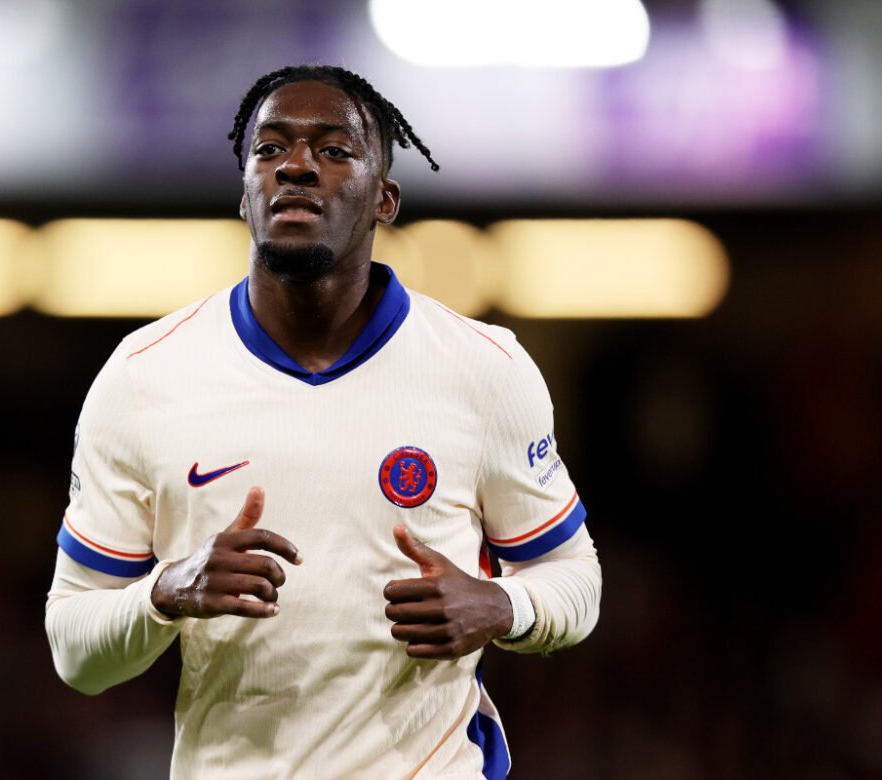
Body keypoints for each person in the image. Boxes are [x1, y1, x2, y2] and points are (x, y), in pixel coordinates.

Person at [45, 64, 601, 779]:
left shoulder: (484, 369)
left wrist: (504, 604)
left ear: (384, 200)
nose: (297, 166)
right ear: (245, 196)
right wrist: (163, 593)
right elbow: (75, 653)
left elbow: (572, 574)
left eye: (334, 150)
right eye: (270, 149)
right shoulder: (143, 376)